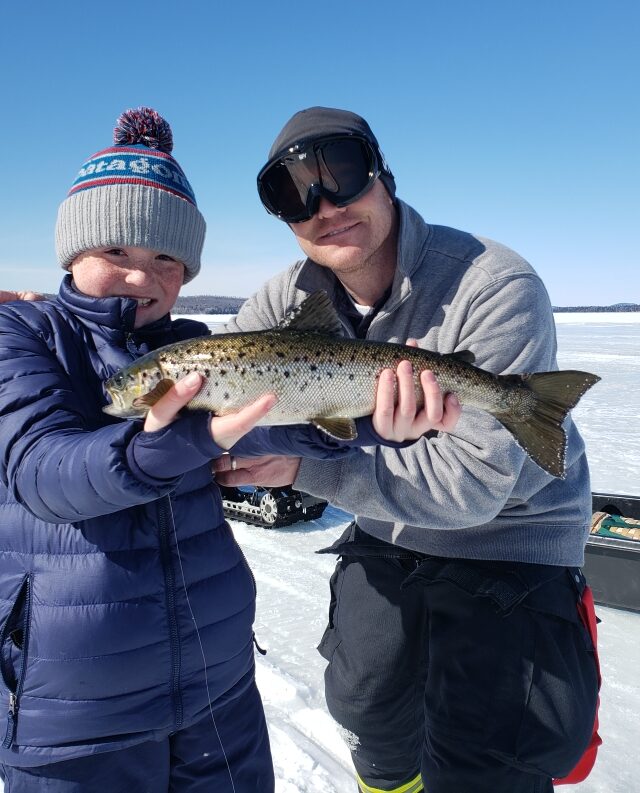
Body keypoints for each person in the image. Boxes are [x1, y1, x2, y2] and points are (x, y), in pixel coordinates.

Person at [0, 108, 452, 792]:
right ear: (73, 249)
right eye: (115, 252)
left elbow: (271, 421)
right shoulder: (22, 337)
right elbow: (45, 473)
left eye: (165, 259)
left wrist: (370, 421)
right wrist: (166, 443)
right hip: (77, 723)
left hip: (221, 699)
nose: (139, 277)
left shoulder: (198, 349)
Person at [213, 106, 602, 793]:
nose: (323, 206)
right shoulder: (286, 300)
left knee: (495, 744)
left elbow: (476, 488)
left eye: (342, 174)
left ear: (383, 175)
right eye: (293, 193)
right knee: (365, 707)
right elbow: (219, 382)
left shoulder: (492, 283)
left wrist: (308, 463)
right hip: (386, 530)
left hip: (510, 539)